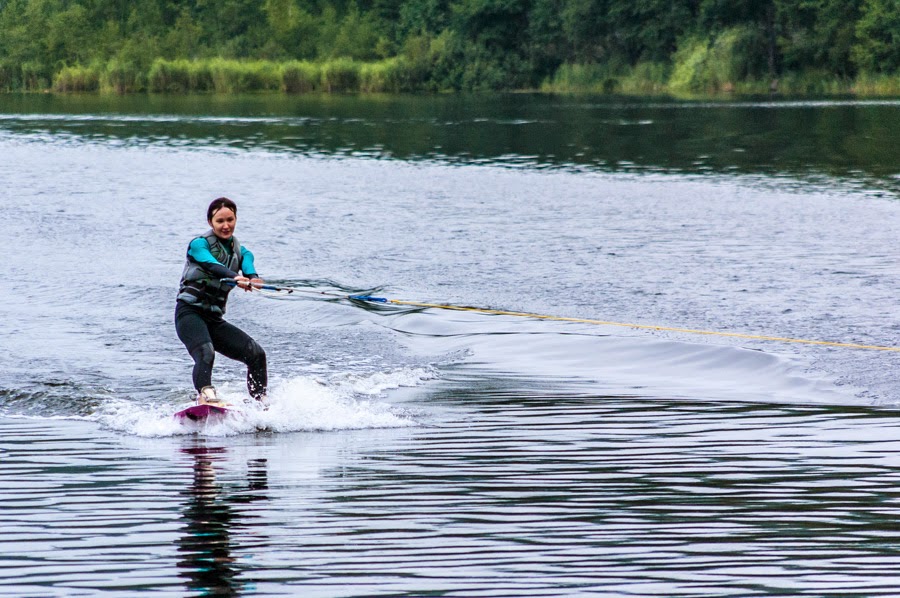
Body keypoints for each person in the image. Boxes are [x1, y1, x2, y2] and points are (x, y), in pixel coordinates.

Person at [175, 197, 267, 405]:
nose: (226, 226)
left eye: (230, 220)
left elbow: (250, 269)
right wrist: (236, 277)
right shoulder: (198, 245)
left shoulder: (242, 252)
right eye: (219, 221)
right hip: (189, 314)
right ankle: (206, 397)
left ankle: (260, 403)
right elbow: (211, 265)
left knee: (256, 354)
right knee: (205, 352)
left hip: (213, 319)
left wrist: (253, 280)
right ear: (210, 222)